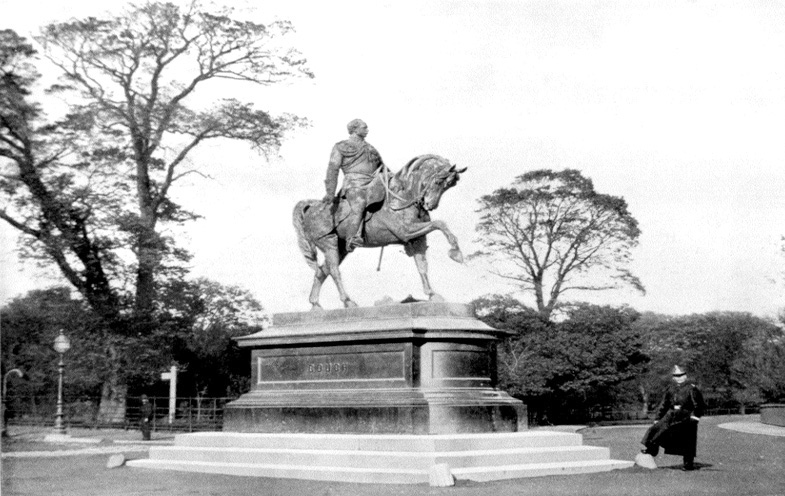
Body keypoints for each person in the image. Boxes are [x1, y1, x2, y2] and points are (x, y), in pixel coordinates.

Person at [323, 119, 388, 251]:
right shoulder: (341, 146)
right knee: (359, 203)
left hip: (373, 183)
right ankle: (352, 238)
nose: (367, 130)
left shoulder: (370, 148)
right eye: (364, 127)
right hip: (354, 184)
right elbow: (333, 169)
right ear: (354, 129)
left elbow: (383, 168)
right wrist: (330, 192)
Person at [640, 365, 706, 470]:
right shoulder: (670, 389)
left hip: (686, 416)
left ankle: (688, 464)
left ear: (685, 376)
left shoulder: (692, 389)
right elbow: (664, 404)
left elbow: (699, 405)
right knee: (656, 429)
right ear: (673, 377)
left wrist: (695, 418)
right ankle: (652, 449)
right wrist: (658, 418)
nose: (679, 378)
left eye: (681, 375)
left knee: (687, 440)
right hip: (671, 414)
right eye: (676, 376)